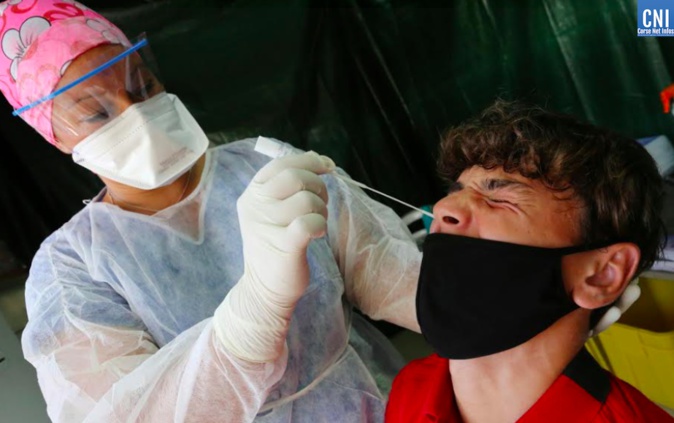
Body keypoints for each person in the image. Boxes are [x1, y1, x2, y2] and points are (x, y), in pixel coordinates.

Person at [0, 1, 423, 421]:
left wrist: (459, 283)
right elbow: (128, 415)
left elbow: (394, 278)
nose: (136, 114)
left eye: (143, 87)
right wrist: (254, 311)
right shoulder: (72, 269)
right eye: (96, 113)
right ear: (56, 137)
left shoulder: (264, 167)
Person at [385, 100, 674, 422]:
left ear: (602, 274)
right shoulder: (412, 386)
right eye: (456, 192)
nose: (442, 208)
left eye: (499, 198)